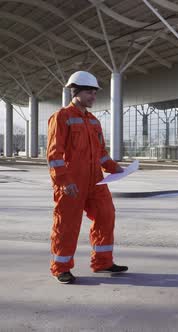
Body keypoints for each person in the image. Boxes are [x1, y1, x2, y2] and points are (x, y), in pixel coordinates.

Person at [46, 71, 128, 284]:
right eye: (90, 92)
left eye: (94, 92)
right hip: (72, 182)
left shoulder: (93, 121)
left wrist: (116, 168)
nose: (93, 96)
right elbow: (54, 155)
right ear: (77, 92)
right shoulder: (62, 117)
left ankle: (103, 262)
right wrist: (63, 181)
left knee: (106, 215)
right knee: (67, 225)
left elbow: (101, 153)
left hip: (96, 181)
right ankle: (61, 267)